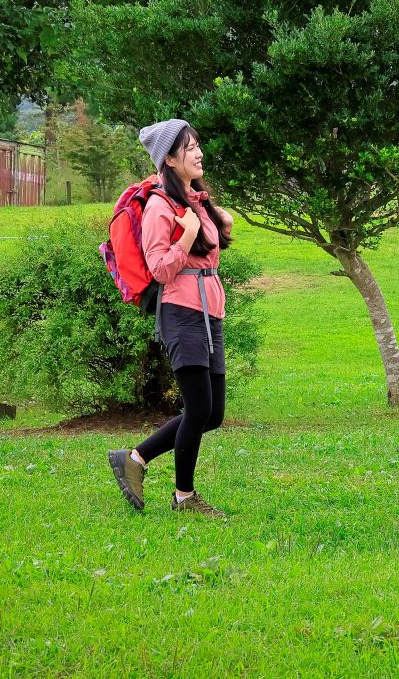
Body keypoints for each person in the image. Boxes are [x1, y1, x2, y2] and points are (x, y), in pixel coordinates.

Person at [108, 119, 234, 517]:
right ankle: (184, 497)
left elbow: (206, 254)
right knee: (198, 408)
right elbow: (160, 269)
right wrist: (185, 236)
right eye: (190, 147)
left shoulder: (192, 200)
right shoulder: (160, 207)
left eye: (198, 144)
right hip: (182, 313)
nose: (199, 153)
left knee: (212, 414)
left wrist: (218, 226)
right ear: (170, 158)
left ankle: (135, 458)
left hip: (209, 312)